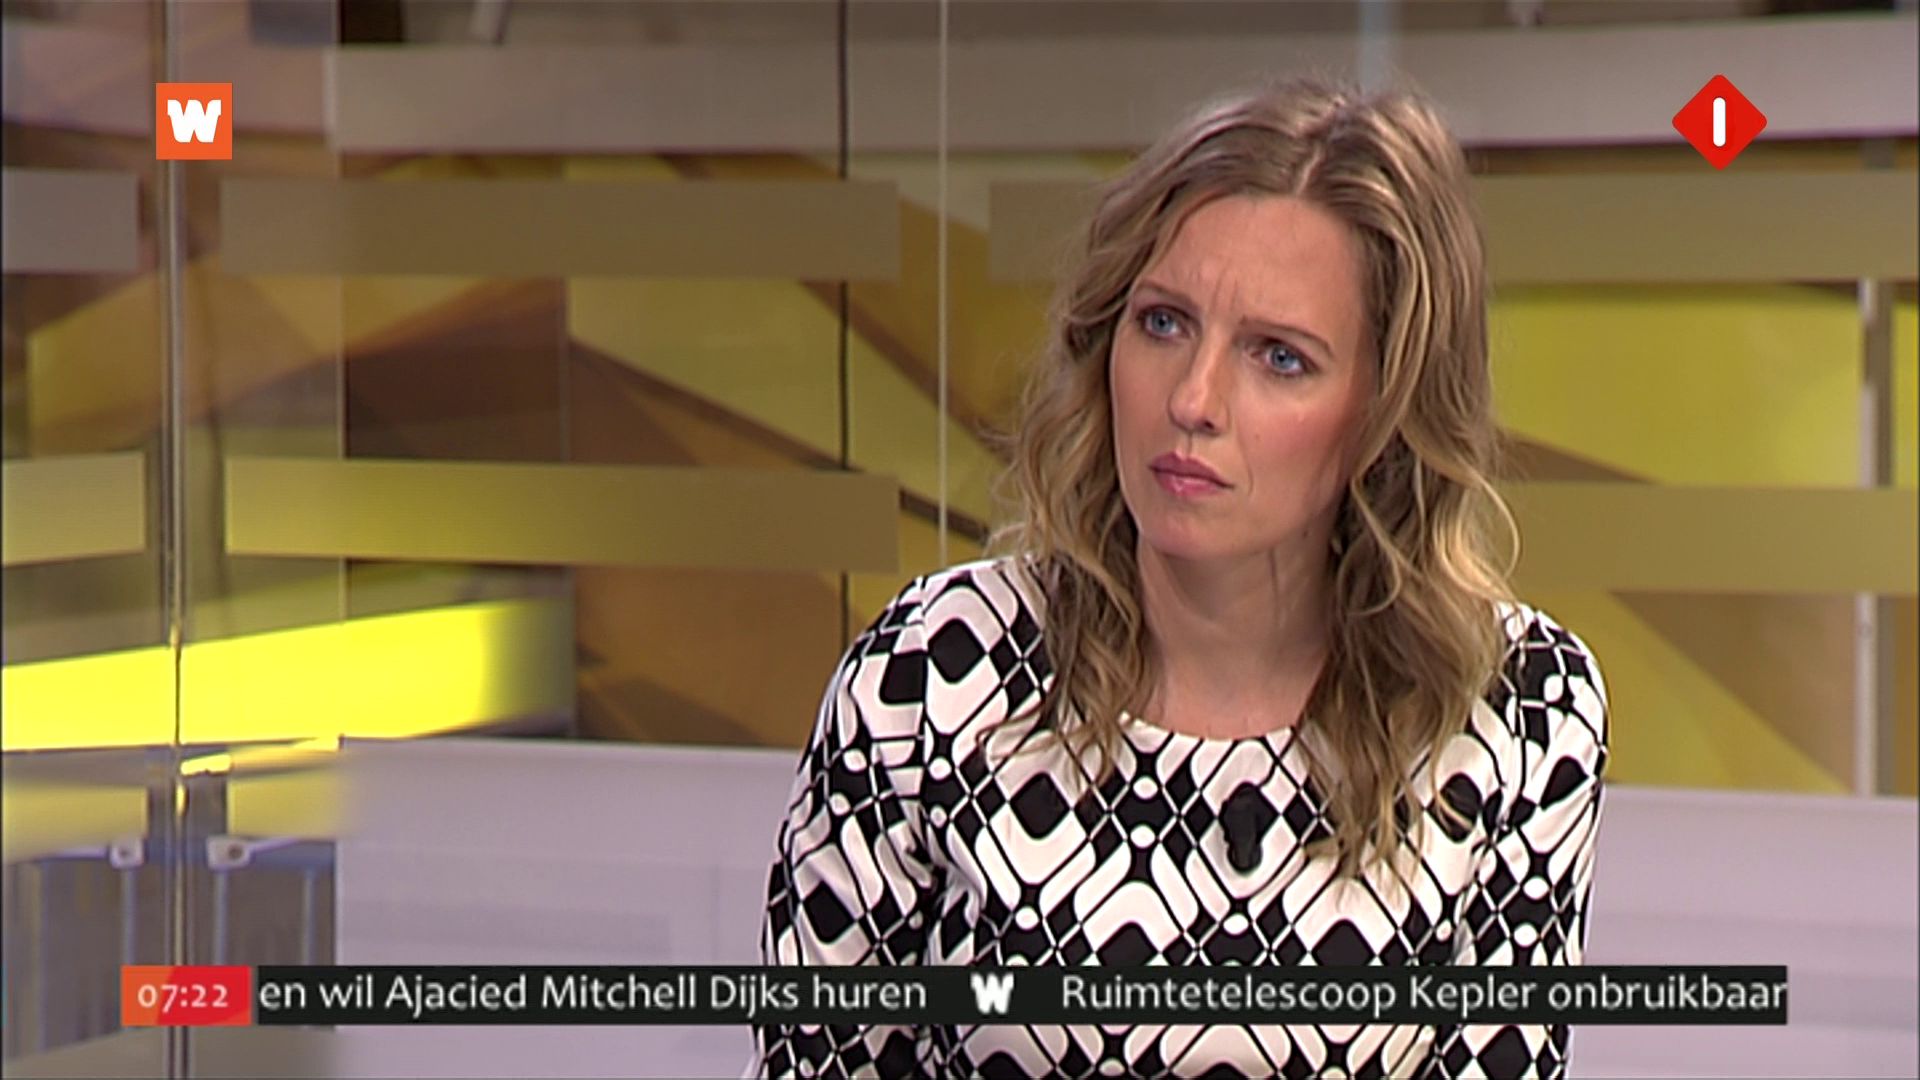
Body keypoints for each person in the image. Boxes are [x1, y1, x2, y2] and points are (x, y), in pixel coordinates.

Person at [752, 76, 1609, 1079]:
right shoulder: (938, 673)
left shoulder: (1518, 710)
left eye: (1278, 357)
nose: (1193, 400)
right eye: (1163, 323)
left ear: (1386, 410)